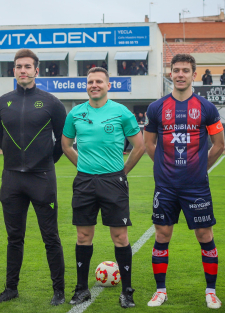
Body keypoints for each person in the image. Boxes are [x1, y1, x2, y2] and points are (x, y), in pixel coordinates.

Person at [143, 54, 225, 309]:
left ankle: (210, 291)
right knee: (162, 234)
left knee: (204, 234)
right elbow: (148, 143)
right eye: (176, 70)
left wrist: (200, 168)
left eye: (185, 70)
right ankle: (160, 290)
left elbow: (219, 146)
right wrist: (163, 167)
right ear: (171, 73)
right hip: (165, 186)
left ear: (194, 75)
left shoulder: (207, 108)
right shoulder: (156, 108)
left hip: (196, 186)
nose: (180, 74)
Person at [62, 67, 146, 308]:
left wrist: (123, 171)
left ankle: (127, 292)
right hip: (85, 182)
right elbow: (66, 145)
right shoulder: (76, 113)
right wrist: (84, 166)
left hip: (113, 182)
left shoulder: (122, 113)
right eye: (90, 82)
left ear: (109, 85)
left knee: (120, 236)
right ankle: (81, 289)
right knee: (83, 235)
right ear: (86, 86)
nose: (94, 85)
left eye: (99, 81)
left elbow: (139, 146)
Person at [0, 49, 67, 306]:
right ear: (13, 70)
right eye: (18, 66)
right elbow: (1, 139)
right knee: (14, 238)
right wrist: (16, 162)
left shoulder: (52, 103)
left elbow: (63, 141)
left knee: (51, 237)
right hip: (12, 179)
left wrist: (45, 162)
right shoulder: (1, 103)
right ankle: (10, 288)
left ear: (37, 70)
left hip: (42, 178)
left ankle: (59, 291)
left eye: (27, 66)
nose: (22, 70)